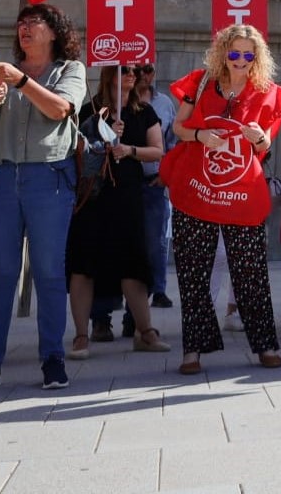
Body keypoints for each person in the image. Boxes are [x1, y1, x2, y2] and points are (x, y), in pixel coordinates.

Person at [0, 3, 87, 395]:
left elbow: (60, 108)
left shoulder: (70, 71)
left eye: (35, 23)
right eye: (21, 25)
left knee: (48, 272)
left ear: (54, 32)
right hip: (0, 178)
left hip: (48, 179)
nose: (25, 29)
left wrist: (21, 84)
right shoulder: (0, 75)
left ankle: (52, 359)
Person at [168, 25, 281, 375]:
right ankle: (192, 349)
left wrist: (259, 138)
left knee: (251, 271)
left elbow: (267, 145)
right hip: (198, 189)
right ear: (223, 52)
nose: (241, 60)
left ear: (257, 57)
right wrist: (199, 134)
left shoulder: (266, 92)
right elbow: (178, 127)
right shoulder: (200, 83)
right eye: (235, 53)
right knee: (193, 271)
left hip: (242, 192)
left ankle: (265, 344)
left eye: (248, 54)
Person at [66, 65, 171, 359]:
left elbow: (158, 150)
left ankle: (145, 331)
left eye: (135, 70)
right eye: (125, 69)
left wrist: (129, 150)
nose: (131, 74)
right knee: (84, 263)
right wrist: (104, 138)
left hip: (127, 194)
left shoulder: (144, 111)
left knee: (133, 261)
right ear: (110, 73)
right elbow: (75, 147)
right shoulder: (90, 109)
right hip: (94, 195)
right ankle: (81, 336)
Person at [137, 63, 176, 308]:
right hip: (125, 180)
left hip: (153, 179)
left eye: (149, 69)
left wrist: (167, 174)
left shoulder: (165, 104)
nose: (144, 74)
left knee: (156, 239)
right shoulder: (120, 100)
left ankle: (159, 289)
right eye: (139, 69)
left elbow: (172, 142)